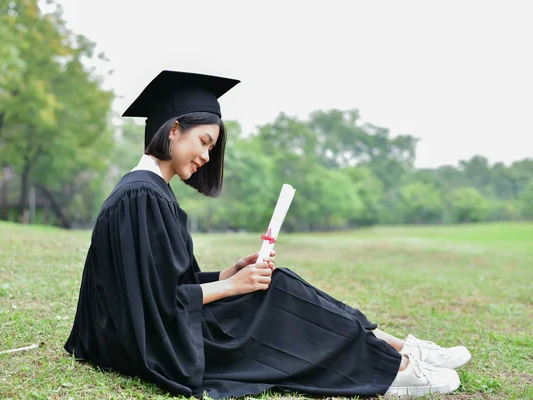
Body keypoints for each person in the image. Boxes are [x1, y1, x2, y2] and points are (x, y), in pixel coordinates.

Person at [64, 70, 471, 399]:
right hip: (149, 345)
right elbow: (154, 305)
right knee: (274, 296)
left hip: (145, 332)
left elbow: (161, 287)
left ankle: (396, 348)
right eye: (203, 142)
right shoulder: (141, 196)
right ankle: (392, 369)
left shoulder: (147, 191)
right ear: (173, 130)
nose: (206, 157)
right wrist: (231, 288)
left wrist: (225, 277)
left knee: (274, 282)